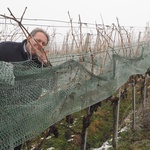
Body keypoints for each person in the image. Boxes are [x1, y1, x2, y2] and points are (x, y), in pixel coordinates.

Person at [0, 28, 50, 150]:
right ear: (29, 38)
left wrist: (45, 64)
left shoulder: (39, 62)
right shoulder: (6, 48)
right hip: (3, 110)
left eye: (43, 43)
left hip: (21, 115)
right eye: (38, 40)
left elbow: (48, 84)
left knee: (16, 144)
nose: (40, 45)